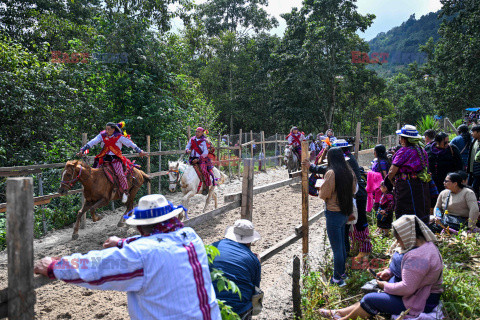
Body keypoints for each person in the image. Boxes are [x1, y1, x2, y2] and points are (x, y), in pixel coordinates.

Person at [34, 194, 221, 320]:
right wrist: (124, 242)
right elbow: (158, 241)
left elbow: (96, 266)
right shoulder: (189, 235)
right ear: (171, 218)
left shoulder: (141, 254)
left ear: (140, 227)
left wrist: (54, 267)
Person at [318, 215, 443, 320]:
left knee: (370, 299)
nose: (398, 243)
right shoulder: (423, 246)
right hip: (416, 292)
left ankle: (343, 318)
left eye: (399, 239)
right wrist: (389, 272)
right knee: (372, 297)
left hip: (420, 300)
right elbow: (409, 271)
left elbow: (407, 288)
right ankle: (338, 313)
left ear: (407, 235)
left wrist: (384, 286)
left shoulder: (418, 257)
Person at [304, 147, 357, 286]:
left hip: (333, 213)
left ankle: (336, 279)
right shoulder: (349, 171)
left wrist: (320, 187)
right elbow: (353, 189)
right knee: (342, 245)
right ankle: (342, 273)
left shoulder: (331, 173)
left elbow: (323, 194)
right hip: (345, 212)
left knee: (337, 249)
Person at [77, 122, 146, 203]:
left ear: (113, 129)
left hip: (115, 159)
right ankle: (94, 190)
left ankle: (125, 191)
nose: (106, 131)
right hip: (104, 158)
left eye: (108, 129)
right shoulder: (102, 135)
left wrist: (140, 151)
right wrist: (83, 149)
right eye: (105, 129)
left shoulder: (119, 137)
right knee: (93, 172)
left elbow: (130, 144)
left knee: (120, 173)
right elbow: (93, 141)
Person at [210, 220, 261, 319]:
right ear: (249, 241)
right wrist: (256, 262)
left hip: (210, 306)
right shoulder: (253, 259)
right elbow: (255, 290)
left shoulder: (213, 247)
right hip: (238, 311)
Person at [387, 125, 431, 223]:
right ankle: (421, 233)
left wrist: (391, 180)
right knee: (420, 208)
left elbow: (392, 171)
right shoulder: (422, 151)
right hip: (421, 185)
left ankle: (406, 234)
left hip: (407, 186)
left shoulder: (403, 151)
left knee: (405, 209)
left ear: (404, 139)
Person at [337, 139, 372, 260]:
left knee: (360, 221)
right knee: (355, 222)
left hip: (358, 194)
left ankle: (365, 250)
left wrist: (314, 168)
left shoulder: (346, 160)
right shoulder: (348, 157)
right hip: (357, 193)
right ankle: (358, 248)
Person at [186, 127, 216, 195]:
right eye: (196, 131)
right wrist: (187, 150)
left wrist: (198, 159)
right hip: (192, 158)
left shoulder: (204, 141)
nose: (197, 133)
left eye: (199, 132)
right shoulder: (192, 139)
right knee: (185, 170)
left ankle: (206, 186)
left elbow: (205, 152)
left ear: (202, 133)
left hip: (202, 159)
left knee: (203, 171)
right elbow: (187, 146)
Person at [467, 125, 480, 198]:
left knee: (474, 189)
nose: (472, 133)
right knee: (470, 188)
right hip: (472, 170)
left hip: (478, 171)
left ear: (479, 133)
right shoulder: (474, 141)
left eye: (473, 132)